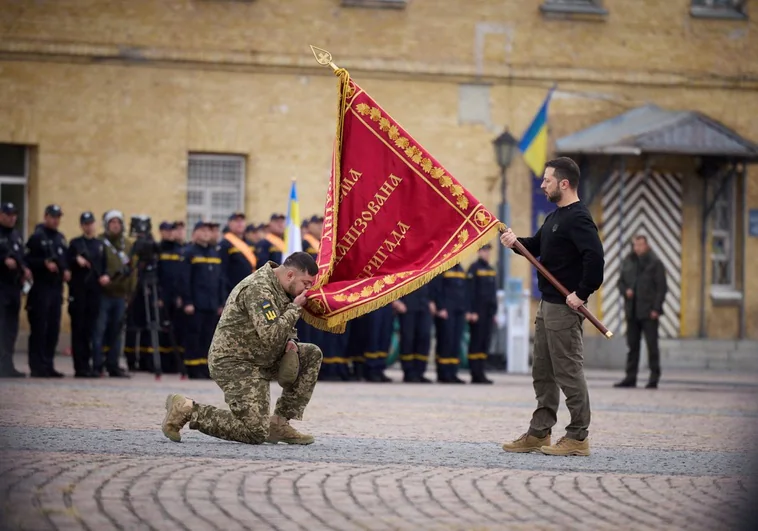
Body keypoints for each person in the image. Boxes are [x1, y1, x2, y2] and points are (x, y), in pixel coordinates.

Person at [499, 157, 604, 457]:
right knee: (543, 372)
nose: (542, 184)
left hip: (564, 308)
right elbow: (537, 246)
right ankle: (539, 431)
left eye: (547, 180)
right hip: (547, 306)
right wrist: (514, 241)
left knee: (568, 372)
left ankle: (578, 436)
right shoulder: (555, 217)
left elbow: (594, 260)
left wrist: (581, 293)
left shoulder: (579, 218)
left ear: (564, 183)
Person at [160, 252, 322, 446]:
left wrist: (292, 342)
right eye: (306, 283)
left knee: (311, 354)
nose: (308, 289)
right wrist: (295, 309)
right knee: (255, 432)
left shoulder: (283, 287)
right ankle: (186, 409)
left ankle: (279, 423)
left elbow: (285, 328)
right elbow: (271, 334)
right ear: (290, 275)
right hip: (234, 362)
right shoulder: (258, 288)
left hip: (260, 356)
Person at [614, 234, 667, 389]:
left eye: (640, 245)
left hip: (649, 312)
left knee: (652, 346)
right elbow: (620, 282)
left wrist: (656, 309)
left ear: (646, 246)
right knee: (632, 346)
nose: (637, 248)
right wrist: (626, 291)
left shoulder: (655, 263)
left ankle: (654, 378)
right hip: (632, 311)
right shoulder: (628, 261)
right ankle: (630, 378)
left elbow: (661, 288)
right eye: (635, 245)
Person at [25, 204, 70, 378]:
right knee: (39, 328)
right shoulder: (37, 236)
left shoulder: (60, 238)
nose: (55, 220)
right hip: (40, 288)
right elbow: (27, 260)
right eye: (52, 216)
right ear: (46, 217)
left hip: (56, 288)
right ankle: (36, 366)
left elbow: (64, 259)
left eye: (58, 216)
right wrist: (43, 264)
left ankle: (48, 364)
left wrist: (66, 269)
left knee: (53, 328)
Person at [92, 209, 136, 378]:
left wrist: (130, 292)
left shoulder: (127, 244)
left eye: (118, 223)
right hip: (104, 294)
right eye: (112, 223)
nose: (115, 226)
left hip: (120, 295)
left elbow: (132, 270)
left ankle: (113, 364)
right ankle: (97, 364)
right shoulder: (100, 242)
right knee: (99, 330)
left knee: (117, 333)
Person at [179, 221, 224, 379]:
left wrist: (221, 303)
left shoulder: (214, 253)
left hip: (211, 303)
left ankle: (205, 367)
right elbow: (185, 279)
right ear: (195, 233)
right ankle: (192, 367)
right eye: (203, 230)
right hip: (196, 303)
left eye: (208, 231)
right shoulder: (189, 252)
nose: (206, 233)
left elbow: (219, 280)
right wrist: (188, 301)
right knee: (194, 335)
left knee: (208, 336)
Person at [66, 211, 104, 378]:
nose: (89, 226)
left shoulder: (99, 245)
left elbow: (103, 267)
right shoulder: (75, 243)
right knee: (78, 330)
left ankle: (89, 365)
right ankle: (79, 367)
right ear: (82, 225)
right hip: (79, 292)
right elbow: (66, 262)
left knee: (90, 330)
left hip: (94, 293)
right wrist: (76, 260)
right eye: (86, 224)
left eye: (91, 223)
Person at [0, 201, 30, 377]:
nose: (12, 218)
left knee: (11, 328)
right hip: (1, 286)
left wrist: (24, 268)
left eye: (14, 215)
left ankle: (7, 364)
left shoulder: (16, 235)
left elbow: (22, 256)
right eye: (8, 214)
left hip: (14, 287)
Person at [432, 264, 469, 384]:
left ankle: (453, 372)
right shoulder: (443, 267)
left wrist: (465, 309)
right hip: (446, 311)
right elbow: (437, 289)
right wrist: (440, 307)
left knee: (455, 343)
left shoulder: (461, 270)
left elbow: (465, 291)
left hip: (459, 312)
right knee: (445, 342)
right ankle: (443, 373)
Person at [466, 243, 497, 384]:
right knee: (476, 342)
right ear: (479, 252)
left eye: (488, 251)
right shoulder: (474, 269)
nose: (486, 253)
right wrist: (471, 311)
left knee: (485, 342)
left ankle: (481, 372)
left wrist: (494, 312)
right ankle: (475, 373)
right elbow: (470, 292)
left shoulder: (491, 270)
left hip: (488, 313)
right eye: (484, 251)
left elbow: (492, 294)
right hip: (477, 313)